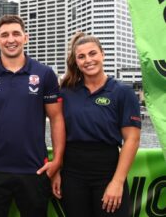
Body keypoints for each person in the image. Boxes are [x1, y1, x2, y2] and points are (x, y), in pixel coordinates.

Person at [0, 15, 66, 217]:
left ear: (25, 38)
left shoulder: (44, 74)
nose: (11, 39)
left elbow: (56, 119)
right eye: (5, 35)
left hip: (35, 171)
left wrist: (57, 161)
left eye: (16, 34)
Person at [53, 32, 141, 216]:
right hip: (72, 173)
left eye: (93, 54)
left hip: (107, 171)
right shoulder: (66, 92)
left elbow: (132, 139)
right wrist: (56, 171)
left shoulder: (123, 92)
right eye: (81, 56)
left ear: (103, 54)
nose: (88, 60)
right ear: (76, 62)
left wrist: (117, 182)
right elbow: (57, 131)